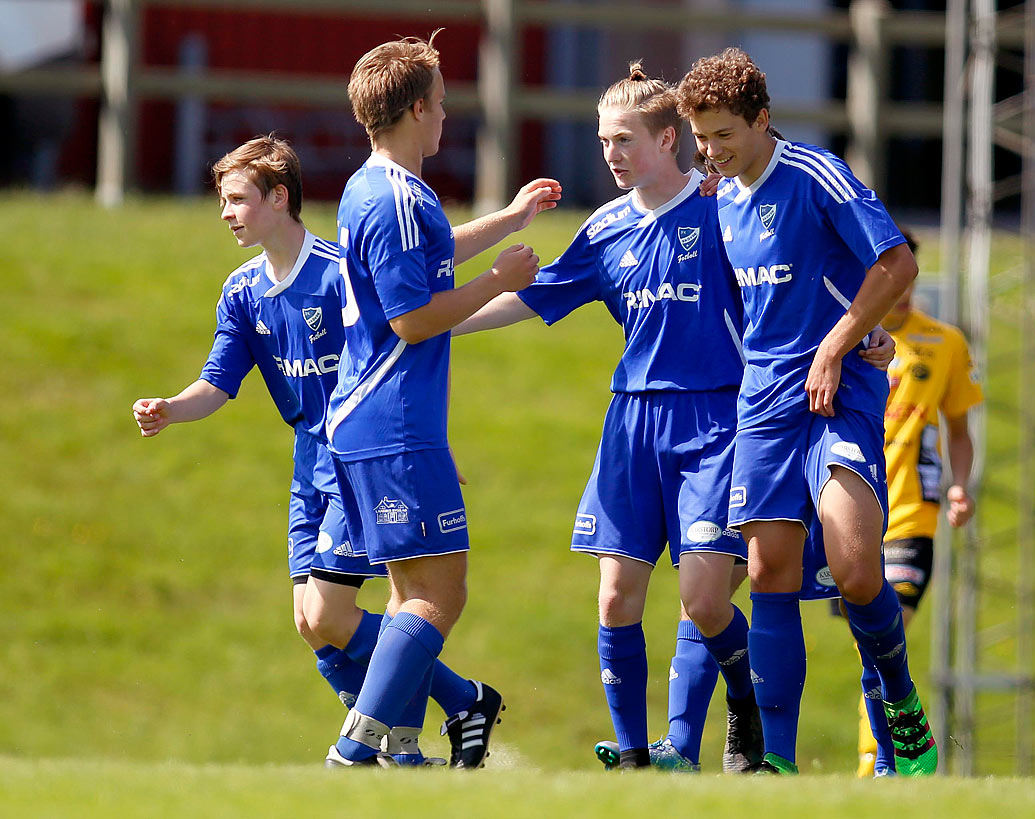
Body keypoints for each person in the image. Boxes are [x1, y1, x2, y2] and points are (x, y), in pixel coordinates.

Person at [454, 64, 894, 773]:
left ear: (669, 139)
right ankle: (639, 758)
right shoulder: (605, 229)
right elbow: (535, 299)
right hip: (632, 423)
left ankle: (738, 719)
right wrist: (439, 323)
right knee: (615, 596)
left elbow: (795, 280)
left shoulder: (722, 208)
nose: (611, 153)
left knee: (705, 596)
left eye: (624, 138)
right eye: (602, 140)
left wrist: (868, 332)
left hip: (721, 419)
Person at [131, 134, 504, 767]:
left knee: (331, 615)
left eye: (237, 199)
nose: (226, 212)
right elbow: (219, 382)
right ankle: (432, 727)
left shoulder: (338, 273)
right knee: (312, 624)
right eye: (223, 200)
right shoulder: (243, 291)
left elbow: (403, 335)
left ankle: (391, 739)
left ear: (280, 198)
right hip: (310, 465)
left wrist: (425, 448)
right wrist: (172, 408)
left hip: (358, 458)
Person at [678, 47, 937, 776]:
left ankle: (900, 701)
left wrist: (842, 343)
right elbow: (740, 314)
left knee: (857, 567)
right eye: (701, 137)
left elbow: (897, 264)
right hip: (764, 406)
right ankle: (779, 765)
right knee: (769, 573)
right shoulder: (718, 199)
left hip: (840, 392)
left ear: (762, 121)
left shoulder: (816, 174)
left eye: (724, 135)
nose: (711, 151)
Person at [322, 34, 560, 767]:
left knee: (405, 596)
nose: (447, 117)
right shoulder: (395, 196)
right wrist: (500, 278)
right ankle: (353, 751)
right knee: (438, 597)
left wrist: (509, 218)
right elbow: (411, 317)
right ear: (418, 107)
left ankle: (396, 748)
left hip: (368, 418)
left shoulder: (378, 188)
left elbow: (425, 251)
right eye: (444, 103)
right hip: (393, 417)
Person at [846, 228, 983, 778]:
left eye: (907, 280)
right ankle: (882, 754)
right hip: (851, 511)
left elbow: (959, 429)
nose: (899, 293)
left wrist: (960, 484)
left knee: (888, 629)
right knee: (868, 642)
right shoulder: (843, 335)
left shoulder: (944, 342)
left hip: (910, 513)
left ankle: (881, 760)